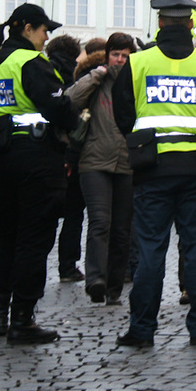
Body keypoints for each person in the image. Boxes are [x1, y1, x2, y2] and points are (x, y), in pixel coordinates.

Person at [113, 0, 196, 347]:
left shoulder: (139, 64)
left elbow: (122, 115)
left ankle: (142, 329)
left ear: (160, 22)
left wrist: (141, 138)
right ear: (189, 23)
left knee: (151, 250)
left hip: (151, 169)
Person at [0, 3, 80, 344]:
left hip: (2, 155)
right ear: (27, 29)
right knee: (34, 237)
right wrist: (76, 122)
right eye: (43, 29)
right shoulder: (32, 62)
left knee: (7, 233)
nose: (46, 36)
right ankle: (23, 318)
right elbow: (55, 105)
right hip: (36, 157)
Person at [66, 32, 137, 306]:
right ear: (107, 56)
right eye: (115, 54)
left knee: (121, 229)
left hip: (127, 163)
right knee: (99, 222)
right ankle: (96, 279)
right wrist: (95, 76)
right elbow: (71, 99)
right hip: (94, 160)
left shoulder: (136, 80)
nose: (120, 60)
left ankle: (114, 286)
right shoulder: (96, 79)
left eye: (124, 55)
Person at [46, 34, 87, 283]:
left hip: (46, 152)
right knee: (73, 214)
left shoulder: (42, 72)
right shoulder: (76, 76)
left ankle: (38, 263)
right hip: (71, 153)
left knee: (46, 214)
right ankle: (68, 266)